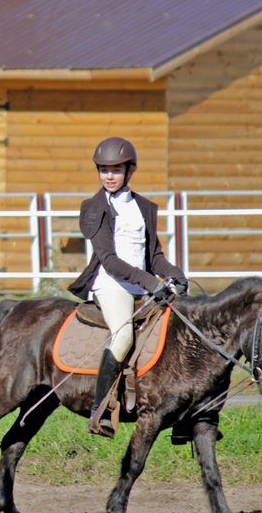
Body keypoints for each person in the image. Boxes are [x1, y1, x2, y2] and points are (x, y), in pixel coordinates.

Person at [67, 137, 188, 437]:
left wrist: (174, 274)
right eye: (103, 170)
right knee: (122, 337)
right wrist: (150, 282)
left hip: (143, 288)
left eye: (116, 170)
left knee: (180, 335)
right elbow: (109, 260)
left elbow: (153, 257)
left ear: (130, 171)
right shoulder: (93, 208)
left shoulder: (143, 207)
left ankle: (184, 416)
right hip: (112, 286)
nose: (109, 176)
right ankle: (101, 410)